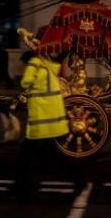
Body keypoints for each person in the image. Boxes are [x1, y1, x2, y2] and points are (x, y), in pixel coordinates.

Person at [14, 51, 84, 199]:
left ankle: (23, 187)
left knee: (25, 156)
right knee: (58, 155)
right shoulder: (47, 67)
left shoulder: (33, 66)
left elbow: (25, 83)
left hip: (41, 124)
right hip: (55, 122)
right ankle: (79, 179)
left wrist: (31, 66)